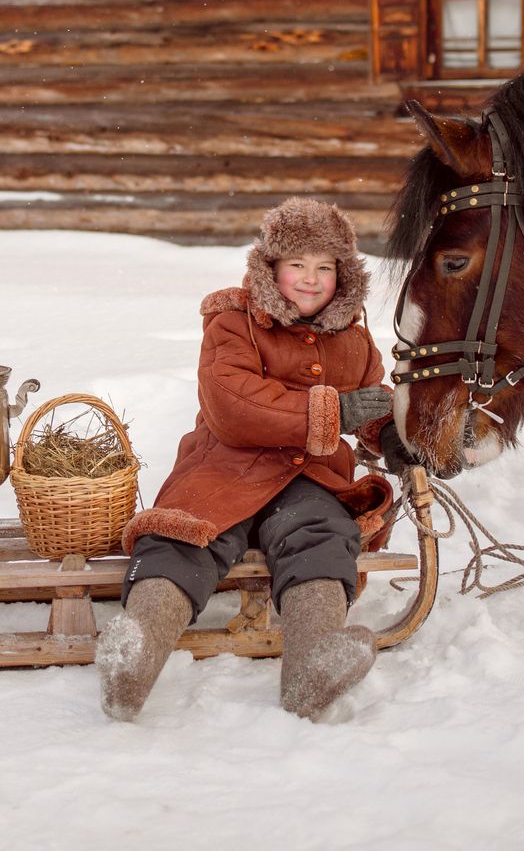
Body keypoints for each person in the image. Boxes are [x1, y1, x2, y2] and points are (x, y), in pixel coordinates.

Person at [96, 197, 410, 723]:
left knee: (322, 538)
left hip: (312, 477)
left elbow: (370, 398)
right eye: (297, 266)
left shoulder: (355, 339)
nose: (310, 280)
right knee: (186, 533)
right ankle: (136, 651)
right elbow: (231, 402)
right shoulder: (233, 320)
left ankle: (312, 665)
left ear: (343, 276)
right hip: (226, 465)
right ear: (271, 268)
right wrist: (333, 410)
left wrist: (388, 433)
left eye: (325, 268)